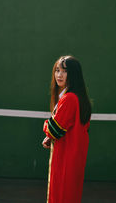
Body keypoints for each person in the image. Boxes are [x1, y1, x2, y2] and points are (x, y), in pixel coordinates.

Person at [42, 55, 92, 203]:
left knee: (61, 197)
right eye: (57, 70)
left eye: (64, 71)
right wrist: (51, 134)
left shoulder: (69, 98)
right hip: (75, 159)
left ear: (73, 74)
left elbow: (53, 129)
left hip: (65, 160)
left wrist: (46, 126)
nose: (59, 75)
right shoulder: (80, 98)